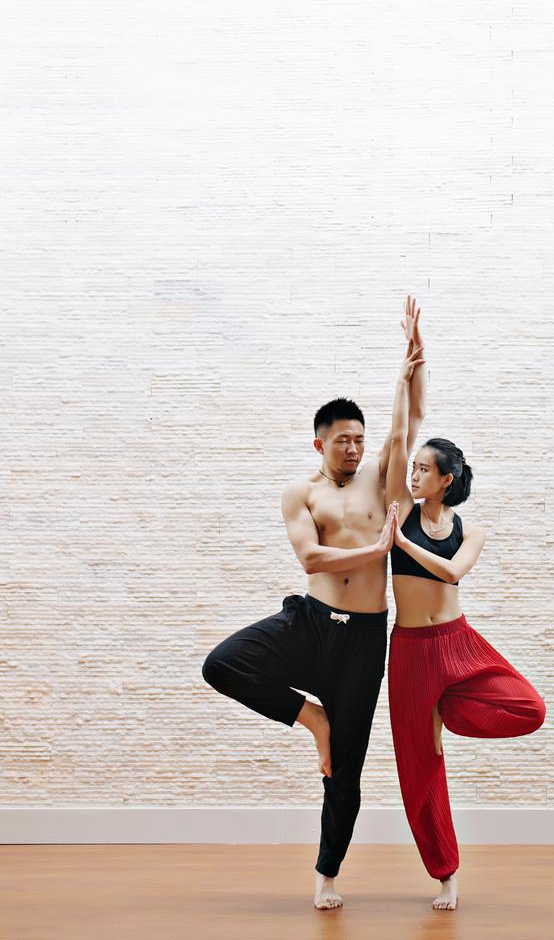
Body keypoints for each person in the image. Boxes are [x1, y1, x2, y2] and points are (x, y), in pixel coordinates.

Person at [201, 296, 427, 911]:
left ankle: (327, 874)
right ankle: (311, 717)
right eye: (343, 441)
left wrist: (410, 365)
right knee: (221, 664)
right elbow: (310, 558)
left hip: (363, 640)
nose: (354, 448)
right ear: (319, 444)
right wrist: (375, 549)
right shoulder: (300, 492)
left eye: (359, 439)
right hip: (311, 623)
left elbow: (407, 424)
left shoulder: (380, 477)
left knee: (345, 771)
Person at [382, 351, 546, 911]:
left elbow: (453, 572)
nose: (413, 475)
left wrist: (402, 547)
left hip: (457, 644)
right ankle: (445, 873)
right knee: (419, 765)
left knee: (529, 707)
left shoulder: (469, 530)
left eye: (424, 470)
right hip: (410, 651)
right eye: (413, 469)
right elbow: (400, 436)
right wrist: (405, 376)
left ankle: (449, 709)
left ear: (445, 480)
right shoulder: (401, 508)